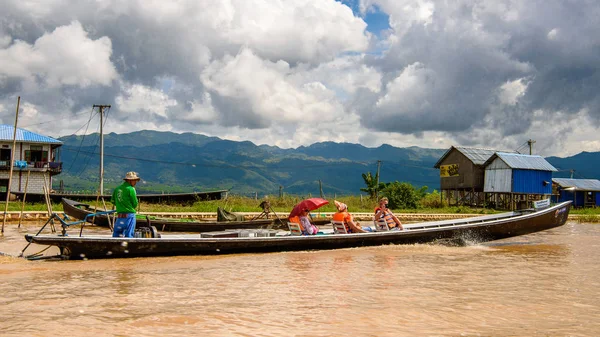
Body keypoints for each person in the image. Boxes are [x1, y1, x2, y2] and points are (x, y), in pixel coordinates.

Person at [111, 171, 140, 237]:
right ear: (129, 180)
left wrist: (120, 206)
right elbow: (135, 203)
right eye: (134, 180)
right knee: (129, 235)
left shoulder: (117, 189)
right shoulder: (131, 189)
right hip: (129, 215)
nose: (135, 182)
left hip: (120, 217)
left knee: (116, 234)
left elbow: (113, 201)